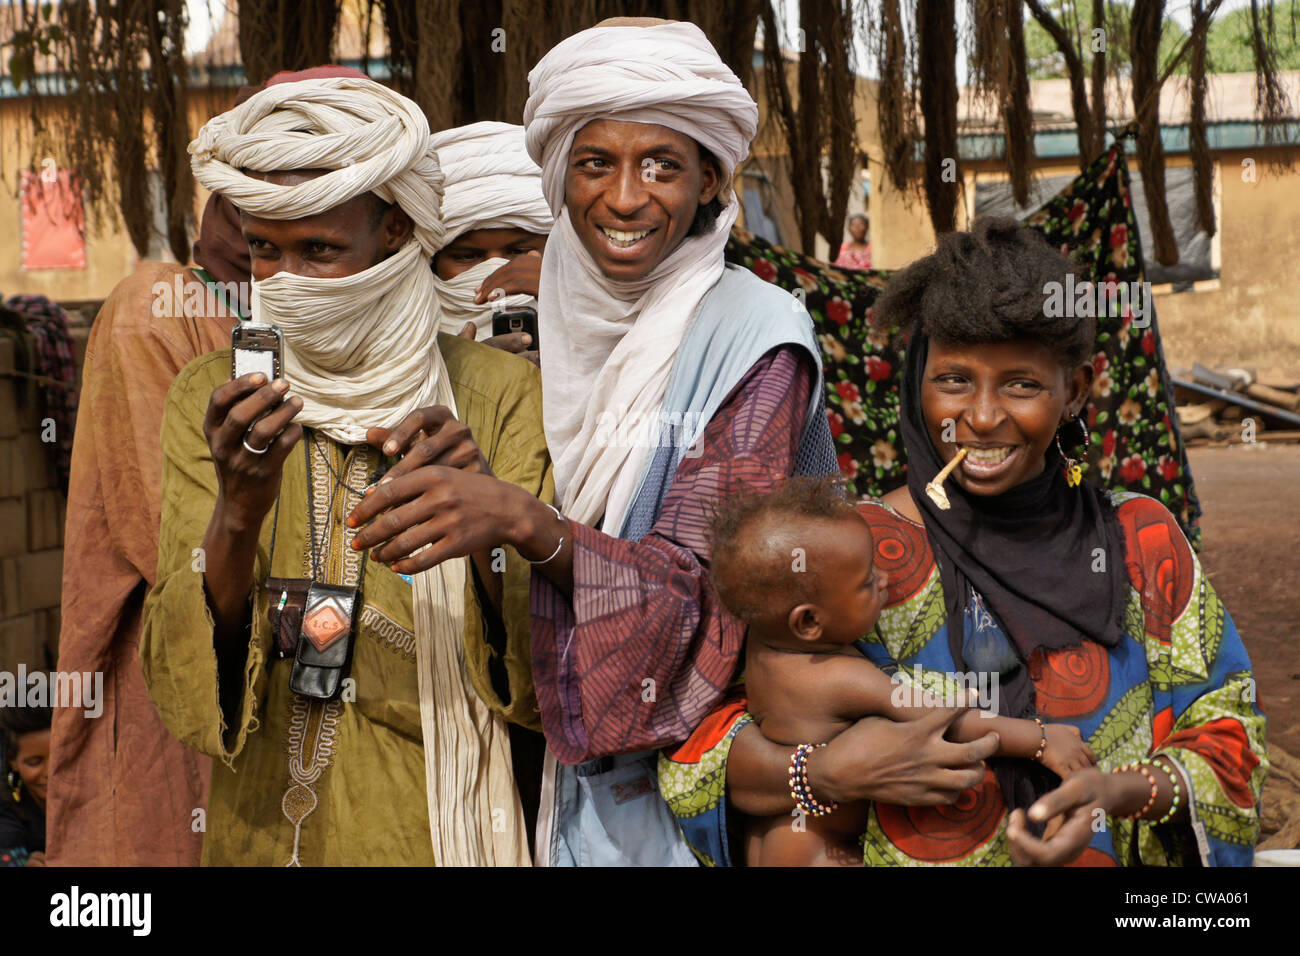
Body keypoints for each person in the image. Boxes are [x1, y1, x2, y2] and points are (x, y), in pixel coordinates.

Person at [346, 18, 839, 866]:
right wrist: (479, 468)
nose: (624, 198)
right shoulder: (551, 324)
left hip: (702, 792)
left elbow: (706, 595)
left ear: (712, 181)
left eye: (662, 165)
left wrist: (525, 521)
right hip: (546, 777)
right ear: (559, 176)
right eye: (594, 163)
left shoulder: (755, 335)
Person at [663, 217, 1268, 866]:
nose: (981, 417)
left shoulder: (1142, 539)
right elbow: (703, 754)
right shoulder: (843, 552)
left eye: (1022, 384)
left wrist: (1118, 791)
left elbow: (1227, 737)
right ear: (916, 379)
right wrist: (826, 774)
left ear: (1076, 391)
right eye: (953, 379)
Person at [139, 75, 551, 866]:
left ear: (395, 233)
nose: (285, 281)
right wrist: (237, 511)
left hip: (430, 825)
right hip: (258, 827)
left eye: (319, 251)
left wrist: (484, 530)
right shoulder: (213, 396)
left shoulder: (498, 396)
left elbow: (540, 682)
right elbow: (186, 688)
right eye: (265, 249)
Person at [47, 65, 366, 869]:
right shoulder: (156, 311)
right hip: (182, 711)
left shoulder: (356, 334)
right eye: (268, 192)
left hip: (323, 718)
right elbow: (182, 551)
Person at [710, 476, 1096, 866]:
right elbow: (942, 720)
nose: (885, 578)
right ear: (809, 622)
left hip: (776, 836)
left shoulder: (762, 647)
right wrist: (1040, 740)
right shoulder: (841, 679)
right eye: (866, 581)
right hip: (817, 847)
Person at [428, 121, 552, 363]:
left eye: (519, 252)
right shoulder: (404, 339)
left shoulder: (612, 319)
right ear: (433, 261)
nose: (496, 272)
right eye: (467, 256)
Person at [1, 706, 51, 867]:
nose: (50, 772)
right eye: (34, 762)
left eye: (60, 759)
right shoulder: (7, 823)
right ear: (12, 760)